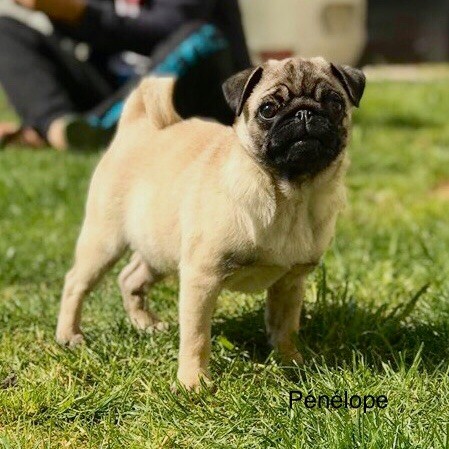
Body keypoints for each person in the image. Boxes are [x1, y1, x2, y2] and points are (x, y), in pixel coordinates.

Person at [0, 0, 250, 150]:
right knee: (6, 30)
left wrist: (77, 12)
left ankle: (97, 128)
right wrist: (52, 8)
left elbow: (168, 26)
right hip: (114, 87)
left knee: (200, 38)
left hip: (190, 90)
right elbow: (89, 32)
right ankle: (59, 128)